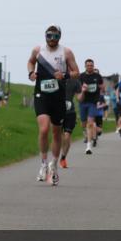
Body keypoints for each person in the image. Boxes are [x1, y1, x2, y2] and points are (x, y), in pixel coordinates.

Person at [27, 25, 79, 186]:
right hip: (41, 94)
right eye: (49, 36)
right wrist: (31, 73)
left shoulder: (66, 52)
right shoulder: (38, 50)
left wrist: (64, 75)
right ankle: (43, 163)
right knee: (43, 129)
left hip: (58, 96)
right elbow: (30, 62)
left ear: (60, 37)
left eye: (55, 36)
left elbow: (76, 72)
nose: (52, 39)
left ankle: (53, 165)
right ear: (45, 36)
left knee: (57, 132)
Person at [78, 59, 102, 154]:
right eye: (88, 65)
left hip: (93, 102)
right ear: (85, 66)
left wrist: (99, 96)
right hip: (83, 102)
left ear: (93, 66)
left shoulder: (97, 76)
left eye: (91, 65)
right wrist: (83, 89)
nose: (90, 67)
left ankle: (88, 146)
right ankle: (85, 134)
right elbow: (78, 89)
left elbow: (101, 85)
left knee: (90, 123)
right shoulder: (81, 76)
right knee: (83, 122)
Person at [59, 76, 80, 169]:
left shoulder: (75, 82)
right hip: (57, 112)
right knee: (59, 136)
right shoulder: (55, 79)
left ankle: (63, 157)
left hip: (70, 112)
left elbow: (79, 98)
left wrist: (83, 91)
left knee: (67, 136)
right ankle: (58, 153)